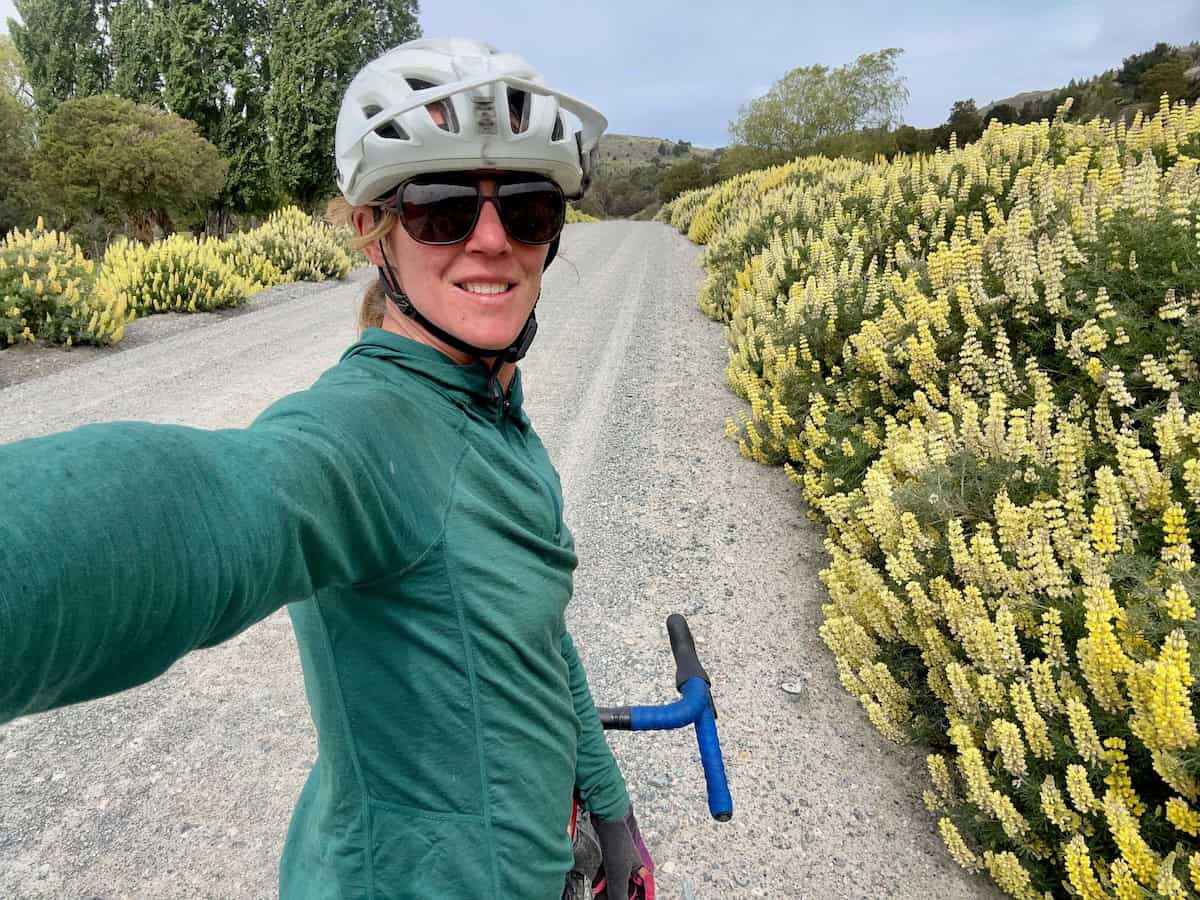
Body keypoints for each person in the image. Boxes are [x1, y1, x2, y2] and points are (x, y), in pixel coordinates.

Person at [0, 37, 654, 900]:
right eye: (441, 208)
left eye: (527, 210)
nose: (492, 241)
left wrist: (610, 812)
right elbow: (224, 502)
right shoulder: (368, 430)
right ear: (372, 230)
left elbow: (537, 636)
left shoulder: (493, 410)